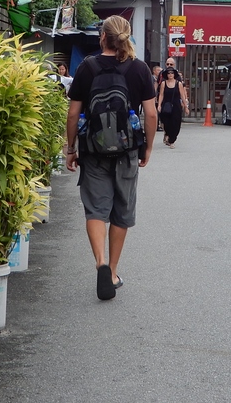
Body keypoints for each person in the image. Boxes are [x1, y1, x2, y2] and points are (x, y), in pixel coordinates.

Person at [65, 15, 157, 300]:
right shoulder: (139, 69)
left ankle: (100, 262)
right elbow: (151, 114)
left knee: (95, 209)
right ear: (126, 37)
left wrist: (70, 149)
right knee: (122, 210)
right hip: (127, 150)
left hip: (93, 150)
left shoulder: (87, 67)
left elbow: (72, 113)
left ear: (101, 37)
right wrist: (148, 148)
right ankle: (114, 272)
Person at [156, 67, 189, 147]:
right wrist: (159, 105)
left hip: (176, 106)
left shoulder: (179, 84)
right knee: (166, 122)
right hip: (166, 105)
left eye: (172, 73)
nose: (170, 74)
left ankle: (171, 140)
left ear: (174, 74)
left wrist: (185, 107)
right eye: (168, 73)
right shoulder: (163, 83)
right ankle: (167, 134)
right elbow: (161, 95)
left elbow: (182, 96)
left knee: (176, 123)